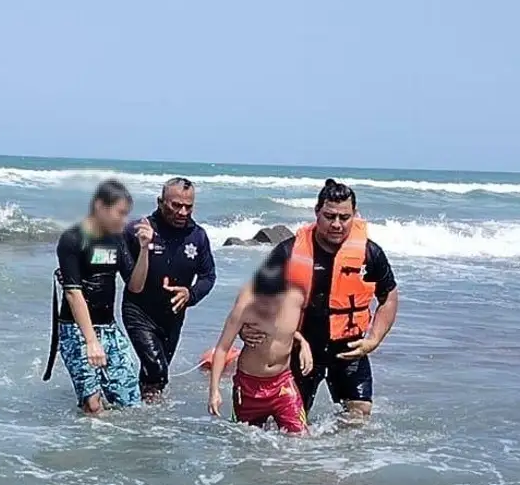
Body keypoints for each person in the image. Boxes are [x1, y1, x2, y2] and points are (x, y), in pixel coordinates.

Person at [241, 179, 398, 421]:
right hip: (299, 348)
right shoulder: (288, 251)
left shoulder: (370, 253)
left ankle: (339, 459)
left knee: (359, 415)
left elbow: (388, 296)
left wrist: (373, 339)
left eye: (344, 218)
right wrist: (246, 330)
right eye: (329, 216)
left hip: (348, 349)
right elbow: (256, 299)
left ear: (354, 215)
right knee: (293, 423)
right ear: (317, 213)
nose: (337, 224)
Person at [49, 179, 152, 414]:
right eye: (120, 213)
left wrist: (144, 250)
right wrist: (91, 341)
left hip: (109, 327)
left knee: (130, 403)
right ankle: (92, 444)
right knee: (92, 405)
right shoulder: (73, 239)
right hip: (76, 328)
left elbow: (135, 286)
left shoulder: (117, 239)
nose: (124, 220)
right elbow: (74, 293)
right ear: (100, 207)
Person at [122, 177, 216, 400]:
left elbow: (208, 276)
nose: (183, 212)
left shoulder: (198, 236)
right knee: (157, 370)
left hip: (173, 316)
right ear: (160, 202)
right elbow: (127, 279)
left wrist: (190, 294)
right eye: (176, 205)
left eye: (188, 206)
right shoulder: (137, 231)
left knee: (156, 379)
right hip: (139, 312)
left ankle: (141, 419)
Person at [207, 263, 312, 433]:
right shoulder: (244, 310)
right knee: (244, 441)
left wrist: (303, 343)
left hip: (282, 383)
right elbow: (222, 349)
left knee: (300, 439)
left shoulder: (297, 302)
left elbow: (286, 330)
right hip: (249, 386)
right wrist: (214, 391)